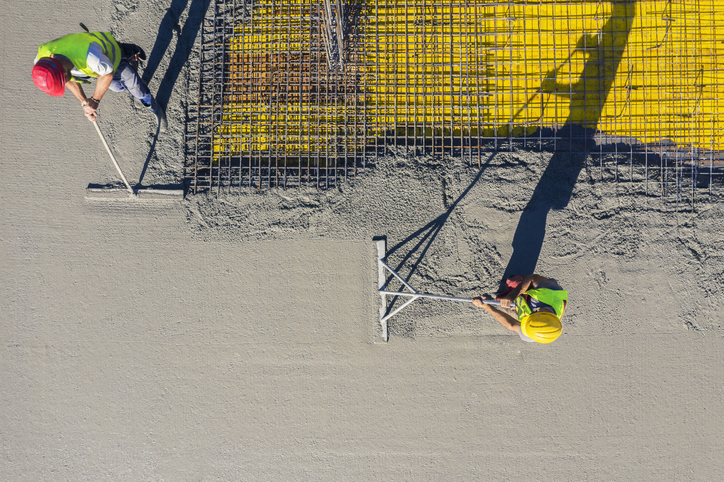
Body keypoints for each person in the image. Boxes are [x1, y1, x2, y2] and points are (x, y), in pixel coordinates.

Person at [32, 31, 167, 131]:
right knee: (118, 88)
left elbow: (107, 74)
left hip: (112, 58)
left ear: (63, 71)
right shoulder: (42, 61)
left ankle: (155, 108)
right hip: (97, 68)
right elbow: (68, 80)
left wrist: (95, 101)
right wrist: (85, 102)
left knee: (138, 89)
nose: (65, 83)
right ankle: (129, 56)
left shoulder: (91, 57)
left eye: (63, 80)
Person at [472, 274, 567, 344]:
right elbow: (533, 278)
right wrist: (512, 296)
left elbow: (511, 324)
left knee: (500, 301)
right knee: (511, 282)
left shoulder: (534, 332)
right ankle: (516, 284)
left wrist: (485, 306)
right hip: (534, 291)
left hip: (525, 305)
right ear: (537, 311)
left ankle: (512, 306)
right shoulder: (552, 291)